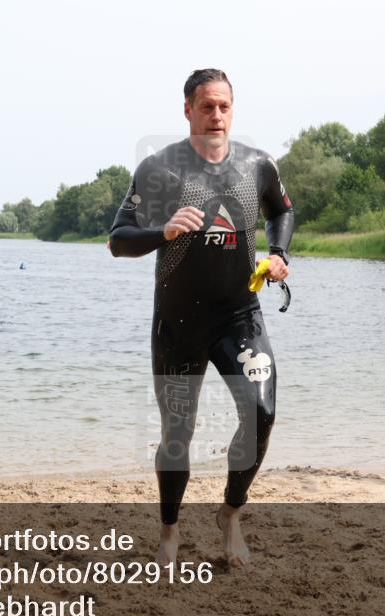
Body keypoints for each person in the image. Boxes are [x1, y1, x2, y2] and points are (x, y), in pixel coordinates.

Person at [109, 68, 294, 566]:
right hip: (179, 323)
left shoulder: (259, 165)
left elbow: (282, 211)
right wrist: (163, 231)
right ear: (187, 109)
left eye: (224, 106)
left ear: (233, 109)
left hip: (240, 317)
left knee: (263, 413)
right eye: (206, 106)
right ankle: (169, 530)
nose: (216, 116)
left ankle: (230, 512)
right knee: (177, 433)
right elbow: (118, 240)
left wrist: (279, 252)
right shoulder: (159, 170)